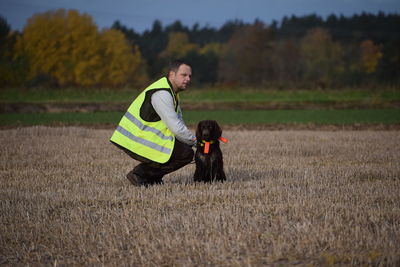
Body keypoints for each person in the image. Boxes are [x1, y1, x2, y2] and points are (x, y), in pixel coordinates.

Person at [110, 59, 196, 186]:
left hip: (142, 139)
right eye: (184, 75)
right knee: (185, 153)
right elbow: (176, 127)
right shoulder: (162, 93)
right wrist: (196, 142)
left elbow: (179, 123)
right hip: (136, 141)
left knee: (184, 147)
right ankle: (140, 175)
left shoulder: (172, 93)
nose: (188, 79)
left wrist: (191, 141)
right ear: (172, 74)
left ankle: (152, 178)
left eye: (189, 76)